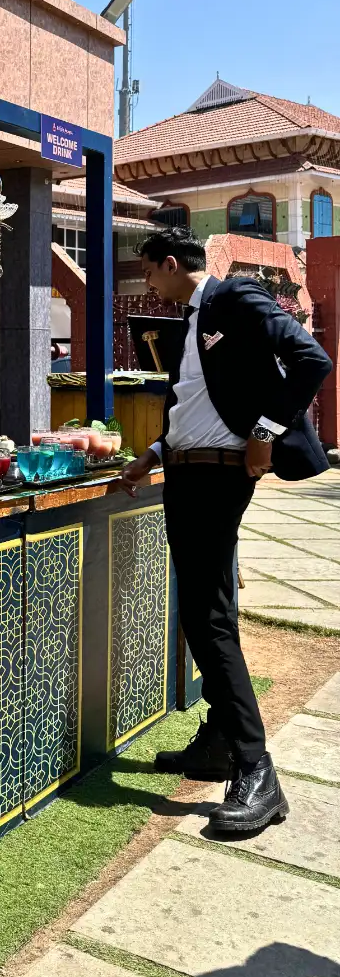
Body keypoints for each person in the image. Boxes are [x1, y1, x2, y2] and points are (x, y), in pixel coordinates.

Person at [119, 226, 332, 834]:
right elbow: (194, 403)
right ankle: (218, 742)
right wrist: (153, 453)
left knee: (208, 618)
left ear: (169, 263)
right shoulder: (191, 320)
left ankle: (256, 770)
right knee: (201, 612)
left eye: (149, 272)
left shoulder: (233, 296)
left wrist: (265, 434)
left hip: (219, 475)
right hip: (185, 472)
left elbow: (312, 361)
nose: (148, 284)